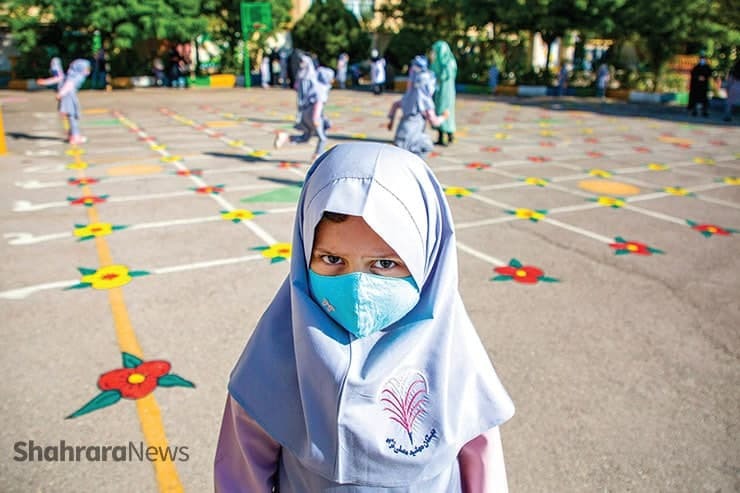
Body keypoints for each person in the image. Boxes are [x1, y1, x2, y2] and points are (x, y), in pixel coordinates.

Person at [215, 141, 515, 492]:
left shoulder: (456, 359)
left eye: (384, 264)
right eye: (331, 260)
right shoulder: (273, 358)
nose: (357, 289)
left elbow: (484, 471)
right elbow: (241, 475)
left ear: (427, 261)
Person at [387, 56, 449, 159]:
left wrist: (391, 122)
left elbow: (395, 105)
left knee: (399, 161)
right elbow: (434, 121)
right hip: (414, 139)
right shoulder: (425, 102)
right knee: (427, 146)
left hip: (400, 136)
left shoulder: (408, 96)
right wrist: (444, 116)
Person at [274, 55, 330, 162]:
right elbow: (318, 103)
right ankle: (317, 156)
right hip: (313, 113)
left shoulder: (302, 77)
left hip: (304, 111)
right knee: (322, 137)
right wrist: (315, 118)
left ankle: (286, 137)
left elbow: (299, 92)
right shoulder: (318, 86)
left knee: (306, 137)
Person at [57, 59, 91, 145]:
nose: (88, 70)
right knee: (73, 116)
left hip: (69, 96)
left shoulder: (74, 74)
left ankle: (72, 134)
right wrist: (61, 94)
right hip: (69, 97)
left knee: (72, 116)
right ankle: (75, 136)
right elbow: (69, 85)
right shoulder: (77, 76)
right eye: (86, 68)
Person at [430, 40, 457, 146]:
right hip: (438, 91)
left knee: (446, 111)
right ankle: (441, 136)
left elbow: (444, 76)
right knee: (438, 110)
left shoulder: (449, 62)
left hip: (447, 91)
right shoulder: (437, 62)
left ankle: (449, 134)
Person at [688, 52, 712, 117]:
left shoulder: (707, 67)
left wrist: (704, 77)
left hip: (704, 86)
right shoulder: (696, 67)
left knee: (704, 99)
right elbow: (693, 75)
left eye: (703, 58)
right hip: (696, 86)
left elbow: (710, 74)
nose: (702, 60)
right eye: (701, 58)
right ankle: (694, 110)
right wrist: (698, 77)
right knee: (695, 98)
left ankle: (705, 111)